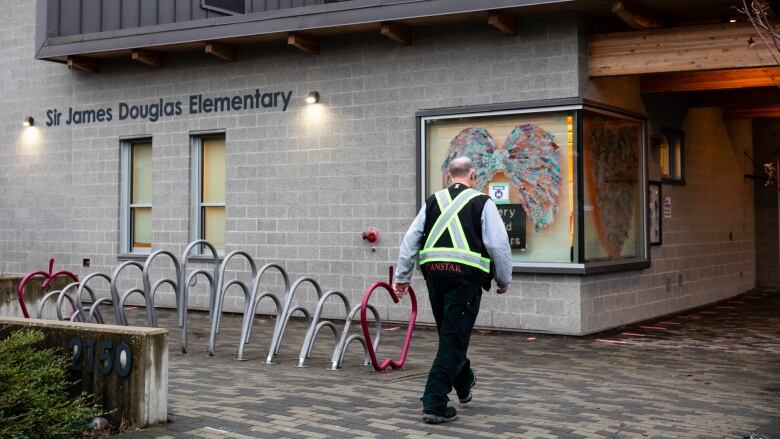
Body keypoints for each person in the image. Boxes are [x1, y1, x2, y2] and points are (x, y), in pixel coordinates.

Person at [394, 156, 512, 424]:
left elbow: (410, 240)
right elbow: (498, 245)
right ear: (473, 176)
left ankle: (465, 380)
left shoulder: (433, 201)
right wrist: (503, 279)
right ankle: (434, 403)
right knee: (453, 340)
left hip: (435, 277)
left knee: (451, 336)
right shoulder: (482, 202)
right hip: (464, 280)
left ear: (448, 176)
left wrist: (402, 277)